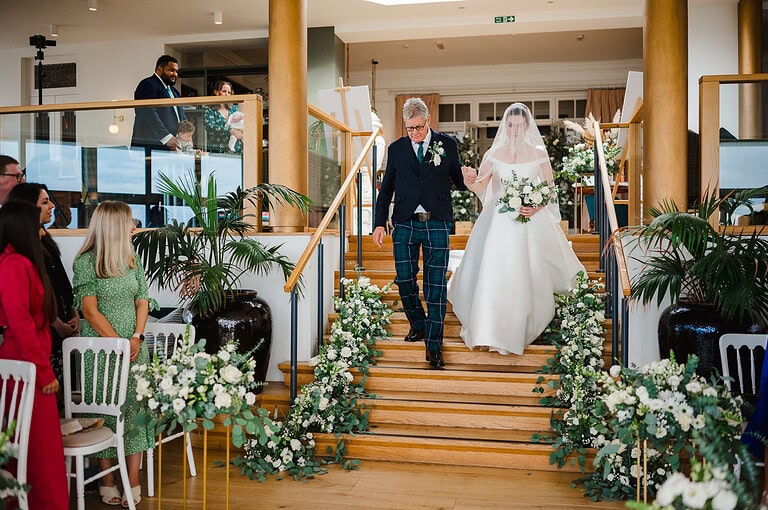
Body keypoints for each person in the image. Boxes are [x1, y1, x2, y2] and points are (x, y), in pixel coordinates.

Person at [447, 103, 585, 355]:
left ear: (527, 126)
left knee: (525, 271)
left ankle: (518, 326)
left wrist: (536, 207)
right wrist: (469, 180)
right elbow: (481, 187)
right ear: (505, 126)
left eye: (519, 126)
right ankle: (487, 328)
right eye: (510, 125)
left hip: (529, 220)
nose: (514, 130)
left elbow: (549, 189)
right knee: (495, 270)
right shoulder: (494, 153)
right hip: (498, 221)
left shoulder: (539, 153)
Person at [372, 97, 466, 369]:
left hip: (437, 223)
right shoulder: (396, 149)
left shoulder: (447, 144)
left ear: (428, 121)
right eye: (409, 128)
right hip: (405, 222)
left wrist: (469, 177)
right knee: (404, 279)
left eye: (419, 127)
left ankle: (434, 347)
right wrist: (379, 223)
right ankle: (418, 323)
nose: (414, 133)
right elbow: (386, 189)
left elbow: (458, 181)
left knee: (435, 286)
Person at [73, 200, 153, 507]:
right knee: (104, 414)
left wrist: (136, 337)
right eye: (129, 222)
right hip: (102, 352)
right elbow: (90, 311)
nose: (134, 227)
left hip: (134, 349)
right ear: (113, 225)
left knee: (136, 413)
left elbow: (142, 300)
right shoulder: (86, 262)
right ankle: (106, 480)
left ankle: (132, 480)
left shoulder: (132, 258)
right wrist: (118, 344)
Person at [0, 201, 69, 510]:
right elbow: (21, 323)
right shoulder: (14, 264)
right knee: (39, 446)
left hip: (29, 358)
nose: (42, 225)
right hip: (26, 364)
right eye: (37, 221)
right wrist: (43, 372)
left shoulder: (20, 261)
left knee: (38, 444)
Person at [8, 183, 79, 393]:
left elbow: (61, 283)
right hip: (45, 331)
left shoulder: (46, 241)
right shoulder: (20, 255)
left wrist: (73, 312)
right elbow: (30, 302)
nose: (52, 207)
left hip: (61, 325)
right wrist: (55, 322)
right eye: (45, 202)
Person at [131, 54, 186, 152]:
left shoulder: (174, 91)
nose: (175, 74)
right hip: (151, 146)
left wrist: (186, 135)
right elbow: (149, 114)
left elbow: (181, 116)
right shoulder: (147, 85)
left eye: (176, 71)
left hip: (173, 146)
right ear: (159, 69)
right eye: (171, 70)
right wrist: (167, 138)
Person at [202, 80, 243, 153]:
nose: (227, 94)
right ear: (216, 92)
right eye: (224, 91)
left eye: (229, 92)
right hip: (218, 151)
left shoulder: (235, 108)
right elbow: (210, 127)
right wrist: (230, 130)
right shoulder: (209, 110)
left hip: (238, 151)